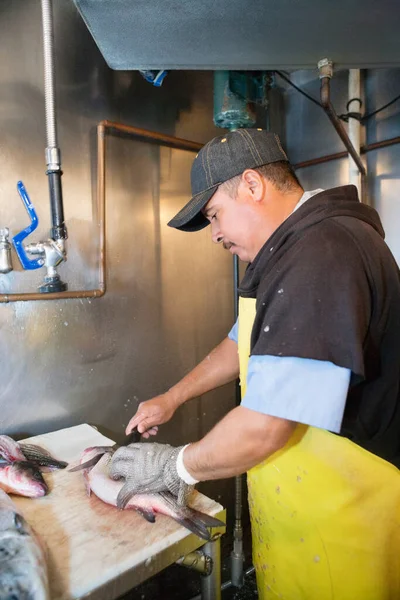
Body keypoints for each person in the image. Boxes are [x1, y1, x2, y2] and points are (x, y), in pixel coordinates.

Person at [110, 129, 400, 599]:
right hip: (303, 518)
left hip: (347, 521)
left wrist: (175, 467)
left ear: (251, 184)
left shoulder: (322, 253)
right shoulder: (287, 253)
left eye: (215, 215)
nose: (216, 235)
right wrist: (174, 397)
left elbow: (267, 426)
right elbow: (241, 343)